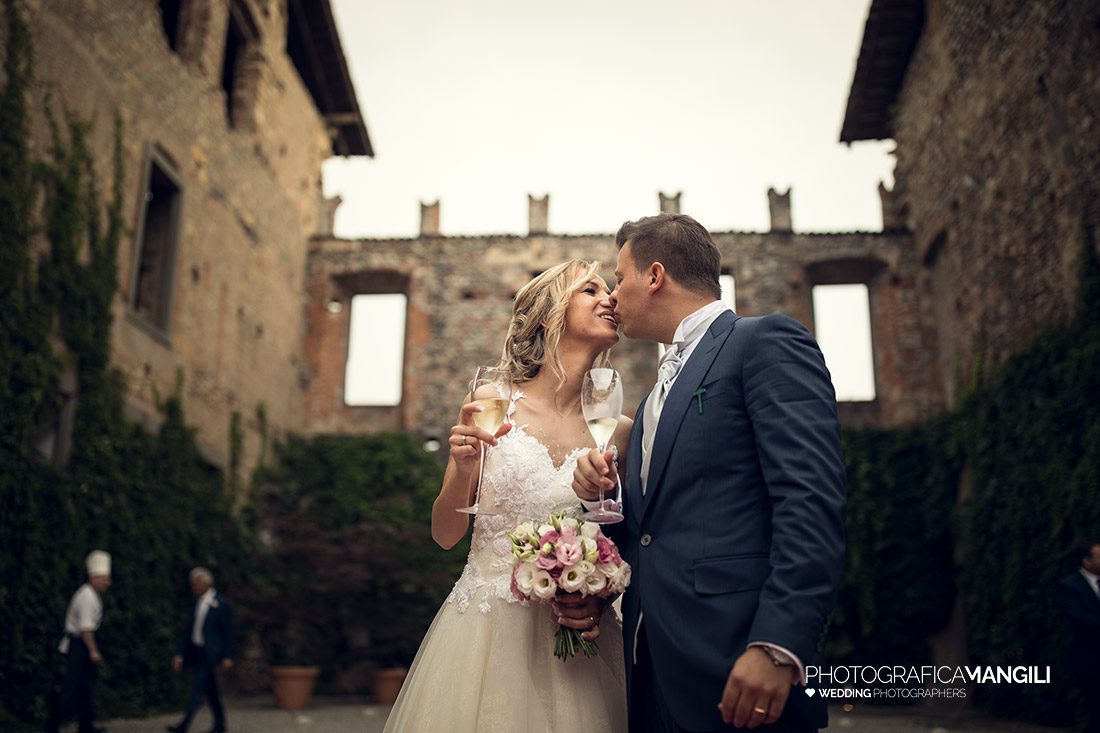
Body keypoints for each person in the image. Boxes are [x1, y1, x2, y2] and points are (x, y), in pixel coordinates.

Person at [573, 213, 846, 733]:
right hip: (651, 671)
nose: (613, 295)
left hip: (738, 661)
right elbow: (651, 533)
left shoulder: (763, 342)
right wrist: (601, 495)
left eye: (620, 277)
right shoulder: (652, 398)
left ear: (654, 277)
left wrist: (779, 645)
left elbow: (809, 500)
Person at [384, 260, 629, 732]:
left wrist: (597, 596)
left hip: (580, 643)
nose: (610, 299)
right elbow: (445, 535)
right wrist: (463, 466)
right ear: (547, 315)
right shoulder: (493, 399)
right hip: (485, 637)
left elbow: (627, 537)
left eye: (611, 289)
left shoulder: (617, 429)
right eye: (590, 290)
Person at [45, 550, 112, 733]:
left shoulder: (90, 594)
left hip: (81, 644)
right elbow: (85, 629)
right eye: (106, 578)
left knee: (86, 688)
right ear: (96, 577)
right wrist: (93, 650)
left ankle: (86, 726)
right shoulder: (87, 597)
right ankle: (52, 726)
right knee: (71, 687)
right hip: (79, 645)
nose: (108, 582)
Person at [167, 567, 234, 733]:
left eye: (197, 584)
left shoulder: (220, 604)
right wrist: (180, 654)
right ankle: (220, 725)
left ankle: (184, 725)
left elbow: (228, 632)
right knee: (211, 692)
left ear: (207, 583)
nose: (194, 588)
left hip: (211, 654)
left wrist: (227, 655)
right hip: (197, 651)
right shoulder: (196, 602)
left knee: (197, 691)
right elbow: (189, 630)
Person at [1059, 542, 1100, 733]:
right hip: (1088, 658)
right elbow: (1078, 618)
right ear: (1086, 561)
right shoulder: (1070, 585)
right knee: (1095, 707)